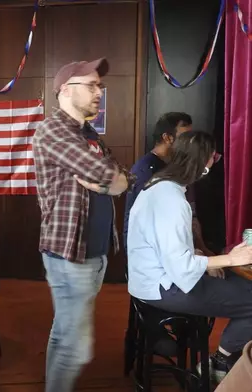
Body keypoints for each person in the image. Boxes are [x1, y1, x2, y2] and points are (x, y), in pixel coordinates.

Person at [32, 58, 132, 392]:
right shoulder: (53, 129)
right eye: (91, 85)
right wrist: (109, 181)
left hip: (94, 252)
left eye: (99, 86)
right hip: (69, 254)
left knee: (64, 333)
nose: (99, 92)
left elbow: (124, 178)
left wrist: (110, 183)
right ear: (64, 90)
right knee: (77, 348)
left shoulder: (87, 133)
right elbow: (104, 172)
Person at [127, 131, 252, 383]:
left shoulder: (161, 186)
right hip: (163, 287)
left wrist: (204, 260)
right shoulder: (171, 198)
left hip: (154, 278)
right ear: (202, 161)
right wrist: (228, 259)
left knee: (242, 285)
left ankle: (223, 358)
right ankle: (220, 362)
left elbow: (167, 247)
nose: (213, 163)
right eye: (213, 157)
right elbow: (181, 268)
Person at [123, 112, 215, 257]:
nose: (189, 143)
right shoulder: (146, 171)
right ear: (167, 138)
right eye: (184, 137)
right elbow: (153, 229)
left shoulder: (180, 169)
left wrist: (202, 249)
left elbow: (192, 216)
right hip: (152, 258)